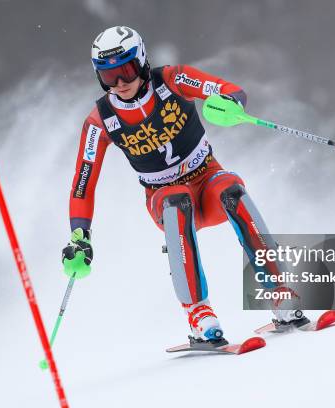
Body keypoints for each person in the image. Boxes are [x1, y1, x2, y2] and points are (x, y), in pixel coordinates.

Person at [62, 26, 305, 343]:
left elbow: (228, 89)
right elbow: (83, 184)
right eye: (109, 77)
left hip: (207, 180)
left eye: (126, 70)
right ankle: (198, 313)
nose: (121, 83)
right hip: (162, 197)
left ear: (142, 61)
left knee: (231, 188)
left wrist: (229, 104)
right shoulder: (100, 121)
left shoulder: (173, 79)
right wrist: (80, 235)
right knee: (177, 199)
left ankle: (279, 292)